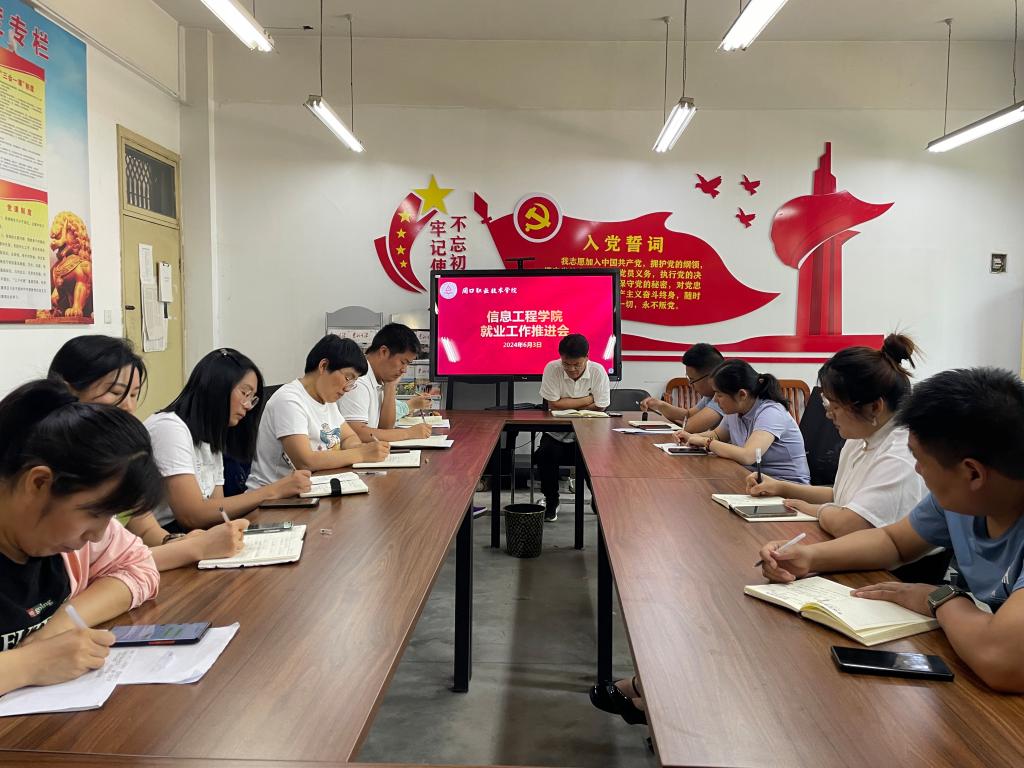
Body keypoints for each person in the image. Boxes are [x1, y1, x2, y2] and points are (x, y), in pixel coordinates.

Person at [757, 367, 1024, 693]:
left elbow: (1002, 660)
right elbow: (893, 541)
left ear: (973, 474)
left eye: (920, 459)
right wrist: (809, 557)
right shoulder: (961, 501)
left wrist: (940, 598)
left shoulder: (965, 497)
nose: (917, 470)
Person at [0, 380, 162, 695]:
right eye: (95, 514)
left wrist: (57, 627)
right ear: (39, 483)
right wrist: (28, 664)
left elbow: (140, 567)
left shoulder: (63, 536)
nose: (98, 534)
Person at [48, 336, 249, 569]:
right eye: (116, 392)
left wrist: (175, 541)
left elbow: (143, 526)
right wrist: (195, 548)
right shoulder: (55, 460)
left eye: (134, 395)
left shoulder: (119, 451)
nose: (128, 406)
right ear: (67, 391)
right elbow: (93, 569)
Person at [746, 334, 926, 537]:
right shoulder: (861, 438)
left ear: (874, 407)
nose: (828, 414)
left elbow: (848, 525)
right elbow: (840, 496)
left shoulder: (901, 455)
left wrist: (811, 509)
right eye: (827, 402)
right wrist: (780, 487)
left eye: (835, 406)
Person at [145, 349, 311, 531]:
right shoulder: (169, 428)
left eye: (252, 398)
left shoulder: (210, 437)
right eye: (245, 393)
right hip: (165, 537)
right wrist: (274, 491)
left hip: (197, 534)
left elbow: (217, 510)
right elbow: (192, 516)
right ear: (217, 387)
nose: (248, 406)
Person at [247, 335, 389, 488]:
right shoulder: (289, 400)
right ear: (323, 366)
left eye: (353, 382)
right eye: (348, 378)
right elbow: (305, 462)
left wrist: (357, 447)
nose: (348, 389)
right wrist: (361, 454)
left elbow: (349, 437)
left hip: (313, 487)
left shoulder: (326, 400)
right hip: (275, 496)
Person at [674, 359, 809, 484]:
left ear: (742, 395)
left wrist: (706, 442)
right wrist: (691, 437)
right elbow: (717, 435)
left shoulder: (771, 412)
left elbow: (748, 456)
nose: (715, 400)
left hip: (786, 487)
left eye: (719, 394)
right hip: (753, 480)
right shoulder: (735, 410)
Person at [536, 333, 610, 522]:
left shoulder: (598, 371)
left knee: (594, 458)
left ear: (587, 357)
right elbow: (554, 404)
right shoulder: (552, 368)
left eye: (577, 365)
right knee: (544, 454)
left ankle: (598, 498)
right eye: (566, 364)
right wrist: (588, 399)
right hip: (556, 433)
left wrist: (566, 403)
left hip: (590, 433)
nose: (571, 369)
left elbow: (601, 405)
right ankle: (552, 500)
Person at [339, 323, 433, 442]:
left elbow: (385, 428)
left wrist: (391, 386)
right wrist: (408, 433)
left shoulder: (380, 378)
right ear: (383, 352)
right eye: (403, 362)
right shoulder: (359, 380)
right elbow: (357, 433)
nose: (404, 370)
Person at [640, 343, 724, 432]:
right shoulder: (709, 395)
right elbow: (688, 414)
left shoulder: (725, 395)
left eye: (692, 380)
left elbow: (690, 427)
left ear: (711, 377)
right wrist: (660, 405)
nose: (690, 384)